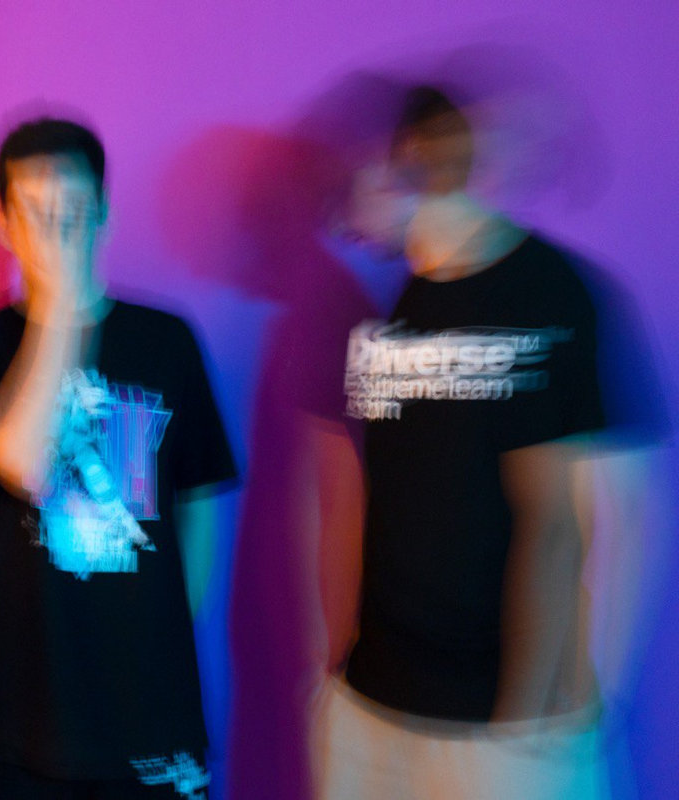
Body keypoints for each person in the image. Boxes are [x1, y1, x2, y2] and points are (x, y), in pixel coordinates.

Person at [313, 86, 612, 799]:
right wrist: (336, 665)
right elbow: (366, 498)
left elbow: (558, 525)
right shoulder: (390, 306)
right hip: (373, 699)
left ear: (412, 161)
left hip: (496, 725)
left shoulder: (544, 289)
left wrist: (525, 716)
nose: (341, 207)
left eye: (357, 174)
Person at [0, 117, 237, 799]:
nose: (56, 232)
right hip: (17, 717)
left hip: (152, 712)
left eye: (72, 211)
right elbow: (23, 462)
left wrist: (155, 634)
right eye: (36, 213)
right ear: (3, 222)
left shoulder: (167, 340)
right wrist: (60, 310)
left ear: (104, 214)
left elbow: (199, 504)